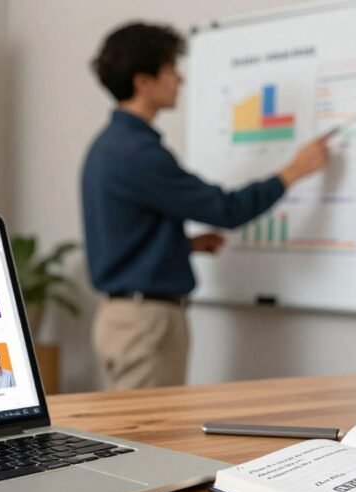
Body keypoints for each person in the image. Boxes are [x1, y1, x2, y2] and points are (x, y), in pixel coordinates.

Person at [82, 22, 330, 391]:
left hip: (124, 317)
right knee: (150, 438)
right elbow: (226, 209)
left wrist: (183, 246)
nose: (180, 80)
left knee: (140, 435)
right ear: (143, 82)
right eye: (170, 70)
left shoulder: (107, 147)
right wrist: (293, 171)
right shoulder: (139, 154)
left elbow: (122, 236)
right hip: (146, 322)